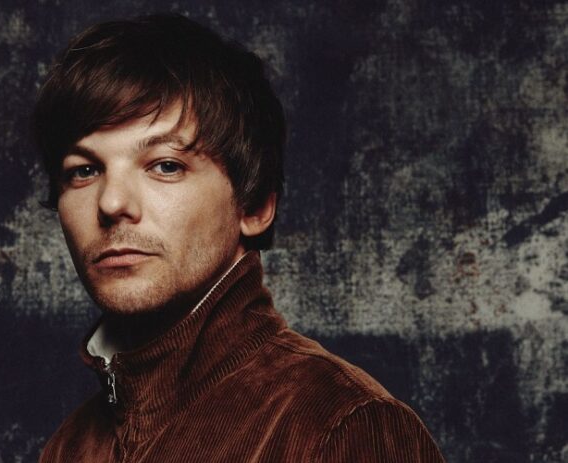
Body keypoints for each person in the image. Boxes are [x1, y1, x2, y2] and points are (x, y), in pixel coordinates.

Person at [32, 13, 445, 463]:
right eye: (84, 171)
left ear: (253, 207)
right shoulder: (69, 447)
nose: (112, 202)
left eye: (166, 165)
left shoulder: (345, 427)